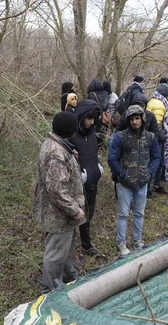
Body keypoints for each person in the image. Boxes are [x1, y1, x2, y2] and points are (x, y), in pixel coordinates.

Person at [33, 112, 86, 293]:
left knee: (64, 251)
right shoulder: (57, 153)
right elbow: (56, 189)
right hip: (59, 214)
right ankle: (49, 292)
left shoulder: (57, 145)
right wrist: (74, 210)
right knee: (55, 255)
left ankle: (68, 279)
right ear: (70, 130)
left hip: (59, 214)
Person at [108, 105, 161, 256]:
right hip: (125, 183)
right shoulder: (120, 137)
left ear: (142, 119)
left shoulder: (150, 137)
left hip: (142, 183)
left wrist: (149, 173)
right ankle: (121, 242)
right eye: (132, 119)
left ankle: (138, 240)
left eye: (137, 118)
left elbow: (157, 157)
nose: (135, 122)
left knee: (139, 213)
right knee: (123, 213)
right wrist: (122, 175)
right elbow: (112, 159)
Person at [71, 99, 103, 256]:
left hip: (92, 181)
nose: (91, 122)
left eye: (93, 118)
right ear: (81, 116)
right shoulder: (72, 136)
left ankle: (86, 245)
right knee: (75, 216)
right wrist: (80, 175)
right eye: (89, 118)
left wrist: (99, 166)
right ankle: (69, 251)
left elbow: (93, 154)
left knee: (89, 214)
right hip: (79, 184)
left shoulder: (91, 134)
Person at [147, 83, 168, 194]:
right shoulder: (160, 104)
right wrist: (163, 136)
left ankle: (153, 186)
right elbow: (157, 123)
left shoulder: (152, 100)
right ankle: (151, 188)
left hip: (151, 136)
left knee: (153, 162)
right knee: (156, 162)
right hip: (157, 139)